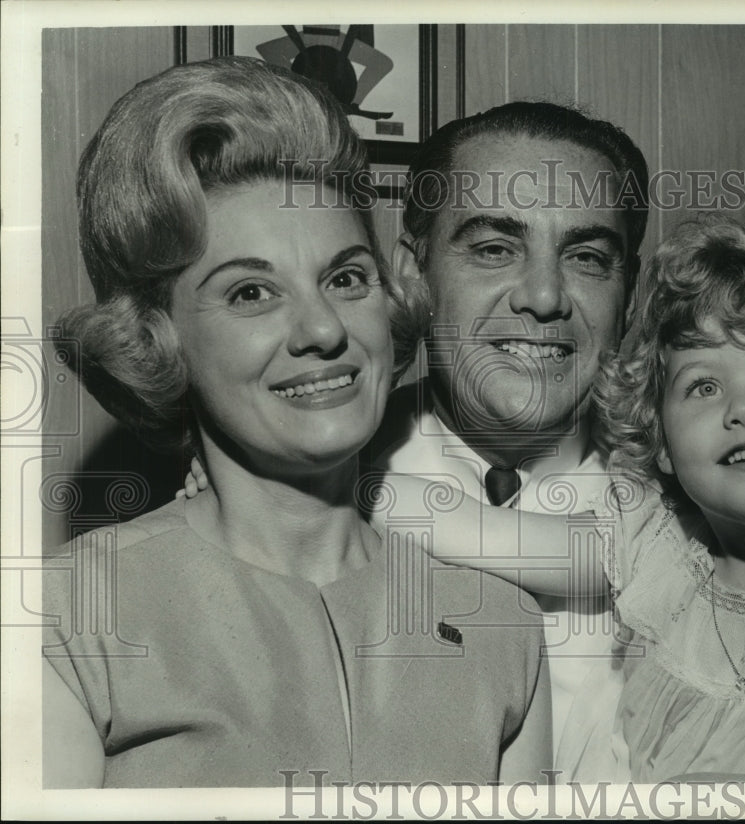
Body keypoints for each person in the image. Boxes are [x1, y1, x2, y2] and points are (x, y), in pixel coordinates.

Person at [42, 56, 550, 788]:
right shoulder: (63, 616)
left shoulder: (503, 625)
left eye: (346, 278)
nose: (321, 330)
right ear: (159, 336)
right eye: (251, 292)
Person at [373, 216, 745, 781]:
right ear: (660, 444)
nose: (743, 409)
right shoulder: (656, 543)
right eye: (703, 386)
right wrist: (327, 487)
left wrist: (692, 801)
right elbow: (476, 531)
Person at [365, 100, 662, 777]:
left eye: (586, 257)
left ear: (630, 292)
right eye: (495, 248)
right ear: (414, 273)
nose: (545, 296)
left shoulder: (703, 495)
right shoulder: (298, 473)